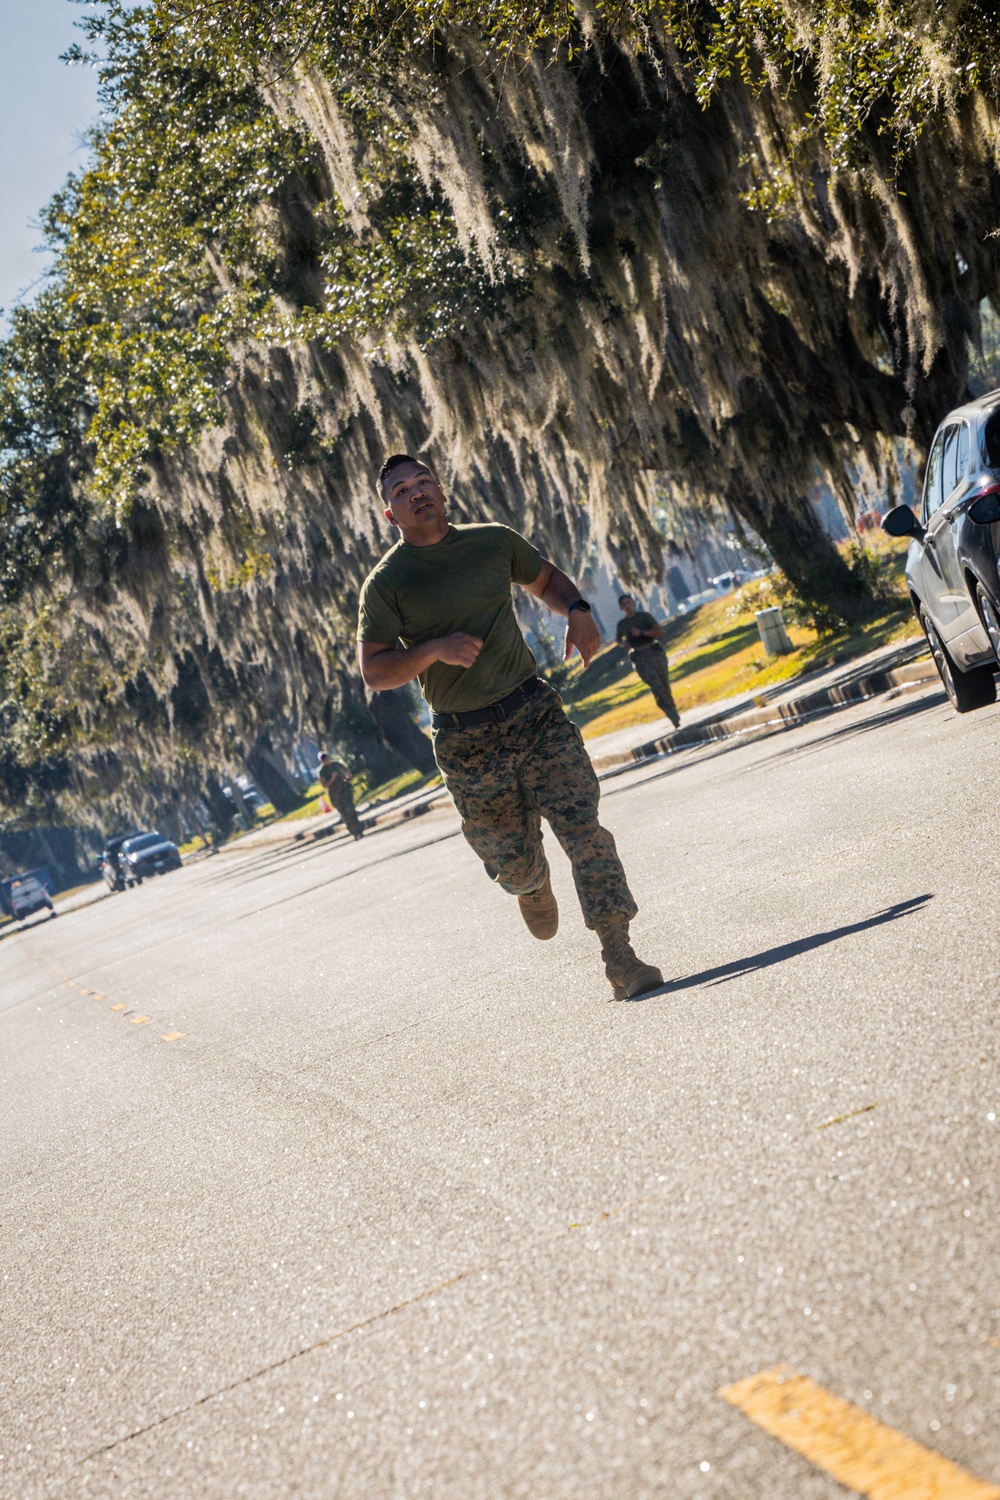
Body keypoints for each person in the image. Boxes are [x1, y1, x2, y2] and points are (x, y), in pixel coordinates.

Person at [357, 454, 663, 1000]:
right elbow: (375, 671)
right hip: (467, 741)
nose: (417, 493)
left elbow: (547, 580)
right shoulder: (386, 584)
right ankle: (530, 884)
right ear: (389, 514)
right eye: (402, 491)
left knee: (583, 830)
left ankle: (620, 955)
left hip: (533, 713)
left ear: (442, 489)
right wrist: (433, 651)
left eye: (424, 481)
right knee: (513, 861)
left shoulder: (493, 540)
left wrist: (578, 609)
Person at [615, 594, 681, 728]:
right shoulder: (622, 624)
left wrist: (642, 633)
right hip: (639, 658)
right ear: (621, 608)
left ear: (633, 603)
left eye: (629, 602)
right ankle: (673, 715)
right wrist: (624, 644)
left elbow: (659, 631)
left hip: (654, 652)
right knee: (657, 687)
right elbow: (618, 640)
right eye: (624, 604)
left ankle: (672, 710)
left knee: (664, 685)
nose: (627, 606)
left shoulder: (644, 617)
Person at [317, 753, 364, 840]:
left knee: (350, 809)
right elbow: (325, 785)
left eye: (326, 759)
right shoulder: (322, 771)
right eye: (323, 760)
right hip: (335, 794)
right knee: (344, 814)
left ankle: (359, 829)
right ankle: (354, 832)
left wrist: (347, 774)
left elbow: (345, 769)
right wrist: (332, 778)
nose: (326, 761)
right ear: (321, 761)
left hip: (344, 789)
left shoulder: (336, 764)